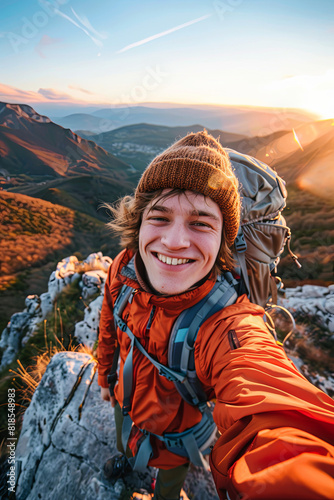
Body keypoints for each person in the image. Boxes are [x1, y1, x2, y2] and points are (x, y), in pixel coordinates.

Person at [98, 130, 334, 500]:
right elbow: (109, 327)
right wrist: (104, 376)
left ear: (224, 237)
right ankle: (127, 462)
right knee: (124, 439)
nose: (175, 241)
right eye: (159, 217)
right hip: (125, 401)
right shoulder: (122, 270)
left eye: (201, 222)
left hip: (175, 437)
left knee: (169, 485)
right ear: (138, 223)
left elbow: (268, 394)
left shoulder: (226, 320)